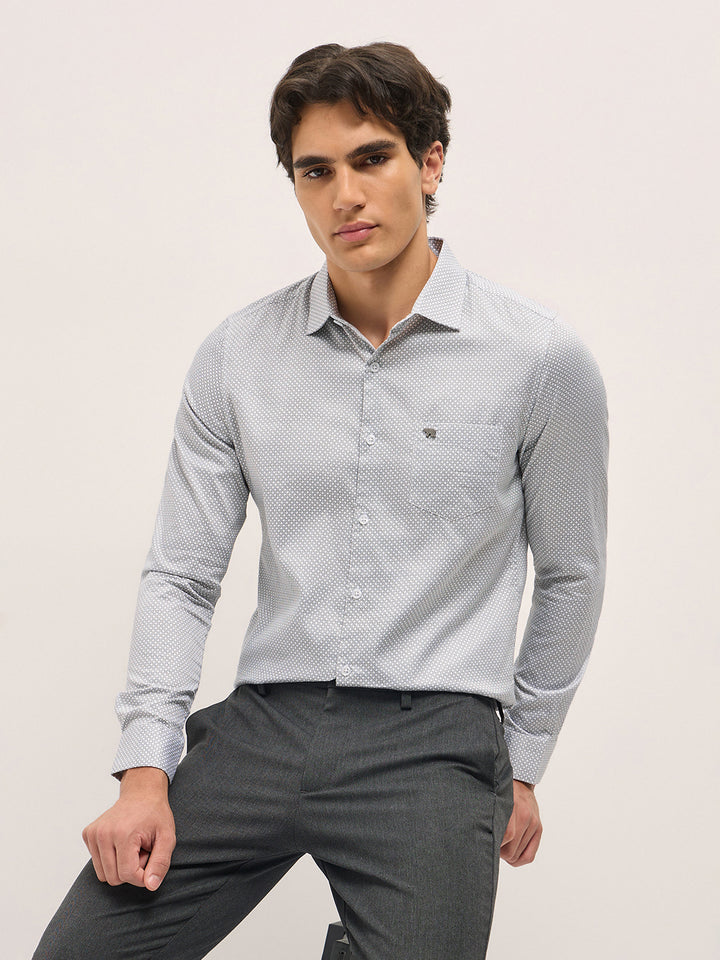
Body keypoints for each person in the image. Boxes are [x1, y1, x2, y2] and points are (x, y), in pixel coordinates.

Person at [33, 41, 608, 960]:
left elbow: (572, 574)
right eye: (316, 170)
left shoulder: (539, 359)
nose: (345, 195)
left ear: (430, 163)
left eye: (372, 158)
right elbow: (182, 574)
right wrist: (145, 768)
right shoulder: (238, 355)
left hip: (433, 742)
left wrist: (524, 763)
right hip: (264, 724)